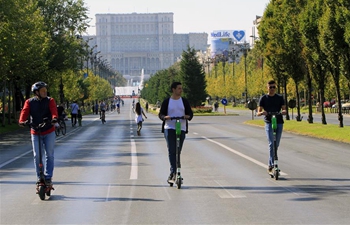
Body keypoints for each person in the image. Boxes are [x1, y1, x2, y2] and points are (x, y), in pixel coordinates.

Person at [18, 81, 58, 187]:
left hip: (49, 130)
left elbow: (54, 111)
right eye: (42, 90)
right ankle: (40, 176)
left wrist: (54, 118)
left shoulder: (50, 100)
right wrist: (22, 121)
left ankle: (48, 177)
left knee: (49, 155)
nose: (45, 92)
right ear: (36, 92)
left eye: (45, 90)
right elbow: (25, 112)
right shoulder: (29, 102)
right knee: (37, 155)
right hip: (35, 131)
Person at [158, 82, 193, 183]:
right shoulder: (167, 101)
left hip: (180, 128)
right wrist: (165, 117)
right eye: (179, 89)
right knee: (172, 150)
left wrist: (188, 116)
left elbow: (190, 113)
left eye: (181, 88)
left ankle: (176, 172)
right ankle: (173, 172)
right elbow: (161, 114)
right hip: (169, 127)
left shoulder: (184, 101)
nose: (181, 90)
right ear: (173, 89)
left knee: (178, 151)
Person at [257, 80, 287, 173]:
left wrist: (284, 112)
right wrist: (262, 112)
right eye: (271, 87)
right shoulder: (263, 98)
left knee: (276, 144)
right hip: (269, 122)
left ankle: (272, 163)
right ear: (267, 88)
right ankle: (272, 164)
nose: (272, 89)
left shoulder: (280, 98)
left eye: (274, 87)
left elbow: (284, 109)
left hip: (278, 122)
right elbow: (258, 112)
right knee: (271, 143)